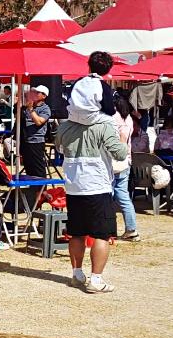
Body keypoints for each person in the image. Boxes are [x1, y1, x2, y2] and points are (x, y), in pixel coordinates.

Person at [55, 99, 129, 293]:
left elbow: (59, 148)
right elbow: (120, 154)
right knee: (101, 234)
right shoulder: (103, 125)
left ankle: (77, 274)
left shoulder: (64, 127)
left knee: (77, 232)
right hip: (97, 185)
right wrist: (122, 137)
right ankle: (96, 278)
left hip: (74, 185)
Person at [111, 98, 140, 241]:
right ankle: (131, 229)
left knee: (107, 196)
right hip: (125, 162)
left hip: (111, 162)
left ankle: (108, 229)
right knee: (123, 197)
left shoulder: (112, 118)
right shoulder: (128, 119)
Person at [67, 51, 116, 126]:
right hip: (91, 118)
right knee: (112, 121)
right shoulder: (103, 86)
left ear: (89, 66)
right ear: (107, 70)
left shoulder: (78, 81)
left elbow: (69, 97)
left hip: (72, 116)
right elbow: (109, 109)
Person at [19, 85, 52, 178]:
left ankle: (42, 190)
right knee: (28, 166)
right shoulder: (27, 107)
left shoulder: (45, 109)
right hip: (25, 141)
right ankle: (32, 189)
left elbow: (39, 122)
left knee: (38, 167)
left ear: (44, 96)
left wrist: (31, 110)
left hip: (36, 141)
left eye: (38, 93)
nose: (35, 94)